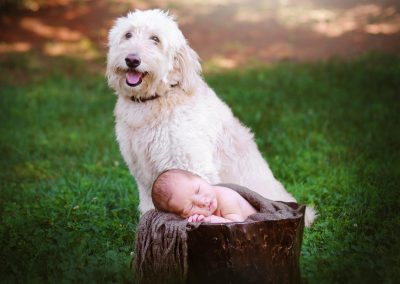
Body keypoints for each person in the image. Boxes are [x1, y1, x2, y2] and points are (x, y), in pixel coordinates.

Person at [151, 169, 257, 223]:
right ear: (183, 216)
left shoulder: (226, 198)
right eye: (191, 207)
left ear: (201, 178)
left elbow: (239, 226)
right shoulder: (200, 213)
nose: (202, 202)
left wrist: (214, 220)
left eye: (198, 190)